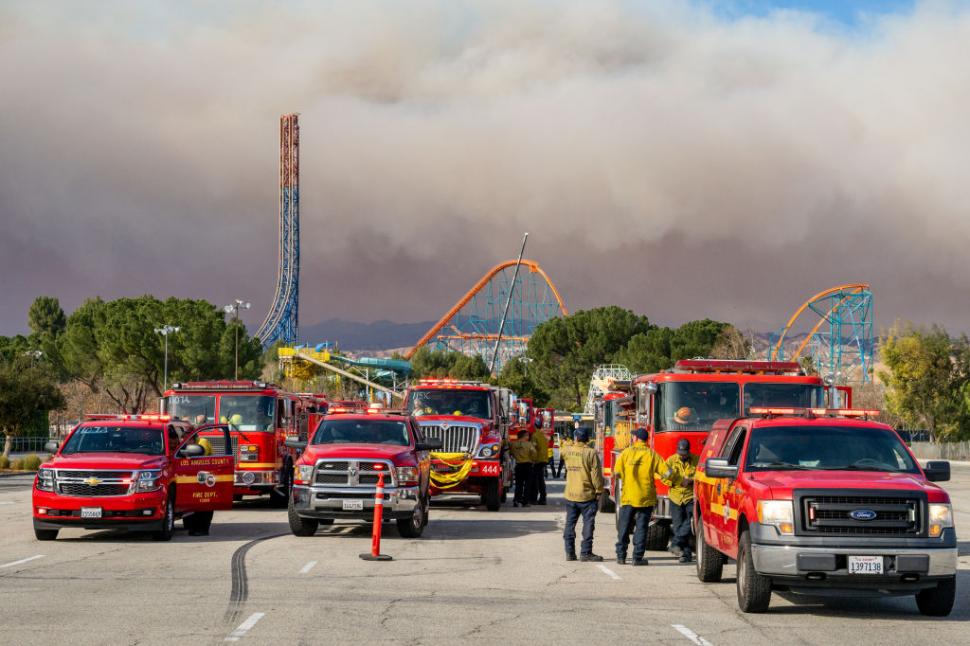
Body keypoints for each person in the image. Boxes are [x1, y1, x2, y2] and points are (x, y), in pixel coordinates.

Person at [613, 427, 670, 566]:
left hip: (628, 497)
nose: (632, 438)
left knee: (624, 527)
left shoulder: (626, 453)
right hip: (645, 497)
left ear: (637, 439)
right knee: (642, 528)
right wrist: (672, 480)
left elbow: (617, 472)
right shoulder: (652, 454)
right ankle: (637, 558)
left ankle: (621, 556)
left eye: (633, 436)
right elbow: (667, 472)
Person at [562, 428, 604, 562]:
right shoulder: (591, 453)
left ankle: (570, 553)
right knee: (588, 524)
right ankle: (585, 552)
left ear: (576, 438)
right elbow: (596, 474)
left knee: (570, 524)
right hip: (586, 495)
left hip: (570, 494)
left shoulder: (567, 450)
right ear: (587, 439)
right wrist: (599, 490)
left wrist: (569, 442)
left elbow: (563, 446)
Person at [664, 438, 698, 563]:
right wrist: (676, 481)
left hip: (690, 497)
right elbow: (664, 476)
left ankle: (676, 542)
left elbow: (701, 475)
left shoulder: (696, 460)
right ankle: (685, 554)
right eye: (680, 453)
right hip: (676, 497)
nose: (682, 456)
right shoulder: (671, 461)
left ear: (689, 451)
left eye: (684, 454)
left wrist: (691, 480)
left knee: (690, 522)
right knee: (678, 525)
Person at [509, 430, 537, 507]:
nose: (528, 437)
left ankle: (516, 500)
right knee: (527, 485)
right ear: (525, 436)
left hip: (518, 466)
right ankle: (525, 501)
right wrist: (533, 460)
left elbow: (510, 453)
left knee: (519, 484)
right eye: (527, 435)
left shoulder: (513, 444)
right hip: (528, 466)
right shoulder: (529, 445)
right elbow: (534, 454)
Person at [531, 426, 549, 505]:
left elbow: (533, 449)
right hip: (544, 459)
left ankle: (533, 498)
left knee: (535, 480)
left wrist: (532, 460)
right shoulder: (544, 436)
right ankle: (543, 498)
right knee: (541, 479)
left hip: (537, 460)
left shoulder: (534, 435)